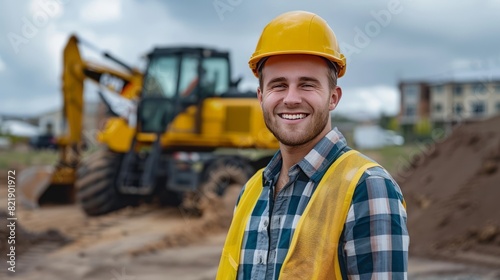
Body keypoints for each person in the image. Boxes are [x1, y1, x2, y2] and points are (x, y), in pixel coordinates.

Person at [217, 11, 409, 280]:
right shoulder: (250, 192)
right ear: (261, 97)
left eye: (307, 85)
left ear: (333, 97)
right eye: (278, 85)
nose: (291, 98)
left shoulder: (368, 188)